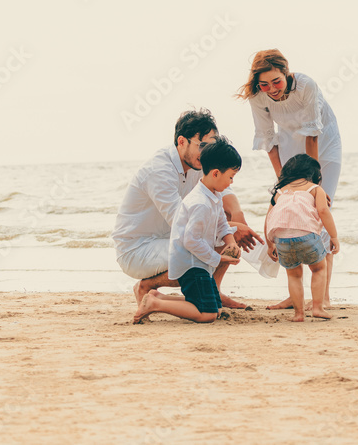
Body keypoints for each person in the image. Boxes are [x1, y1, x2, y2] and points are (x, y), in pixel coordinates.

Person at [112, 109, 262, 308]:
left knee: (224, 236)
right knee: (205, 245)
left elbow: (220, 191)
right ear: (181, 141)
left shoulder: (197, 163)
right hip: (137, 249)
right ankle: (146, 286)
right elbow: (181, 222)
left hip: (167, 240)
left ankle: (213, 293)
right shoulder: (159, 170)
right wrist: (232, 229)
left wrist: (237, 216)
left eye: (212, 146)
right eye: (202, 145)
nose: (207, 152)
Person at [237, 49, 343, 309]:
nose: (271, 88)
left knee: (320, 209)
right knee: (289, 210)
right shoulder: (257, 96)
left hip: (324, 145)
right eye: (264, 83)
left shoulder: (306, 85)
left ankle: (323, 296)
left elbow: (312, 135)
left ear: (286, 73)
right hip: (287, 143)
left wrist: (313, 183)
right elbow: (267, 139)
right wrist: (283, 184)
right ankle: (296, 294)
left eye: (276, 81)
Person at [133, 137, 242, 324]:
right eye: (231, 177)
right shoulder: (200, 203)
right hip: (191, 265)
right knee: (207, 314)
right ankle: (155, 304)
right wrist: (218, 259)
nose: (231, 182)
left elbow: (222, 223)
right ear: (216, 173)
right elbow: (190, 240)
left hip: (199, 263)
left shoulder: (213, 196)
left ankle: (159, 298)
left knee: (215, 308)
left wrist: (230, 241)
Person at [264, 154, 340, 322]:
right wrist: (333, 236)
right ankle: (318, 308)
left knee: (294, 276)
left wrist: (270, 245)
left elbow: (268, 218)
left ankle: (299, 314)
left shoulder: (279, 192)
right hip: (307, 236)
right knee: (319, 269)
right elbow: (324, 211)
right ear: (314, 174)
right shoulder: (315, 189)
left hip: (282, 240)